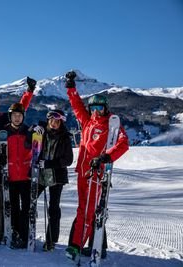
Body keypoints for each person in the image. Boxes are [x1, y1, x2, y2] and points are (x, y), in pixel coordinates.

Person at [64, 71, 129, 260]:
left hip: (96, 174)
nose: (96, 111)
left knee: (87, 211)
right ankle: (96, 245)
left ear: (106, 108)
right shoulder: (87, 122)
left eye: (99, 107)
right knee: (85, 210)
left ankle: (76, 246)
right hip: (82, 173)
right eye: (93, 107)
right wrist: (70, 87)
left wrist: (106, 158)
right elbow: (76, 106)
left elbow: (123, 143)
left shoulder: (111, 124)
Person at [0, 77, 36, 242]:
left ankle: (2, 231)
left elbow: (19, 110)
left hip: (2, 164)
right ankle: (5, 230)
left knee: (1, 200)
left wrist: (29, 92)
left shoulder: (4, 118)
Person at [2, 103, 43, 249]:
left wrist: (40, 128)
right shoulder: (4, 132)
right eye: (14, 115)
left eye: (19, 115)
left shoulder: (28, 131)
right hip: (11, 177)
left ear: (23, 117)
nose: (17, 118)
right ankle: (15, 233)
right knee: (12, 208)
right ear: (10, 117)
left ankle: (25, 235)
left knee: (26, 208)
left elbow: (38, 148)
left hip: (26, 177)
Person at [37, 109, 73, 250]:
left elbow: (68, 160)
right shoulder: (41, 132)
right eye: (52, 120)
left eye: (57, 121)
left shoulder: (64, 137)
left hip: (56, 176)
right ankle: (26, 232)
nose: (54, 123)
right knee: (29, 201)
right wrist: (32, 129)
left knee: (53, 208)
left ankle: (51, 240)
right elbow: (29, 140)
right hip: (39, 174)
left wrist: (48, 163)